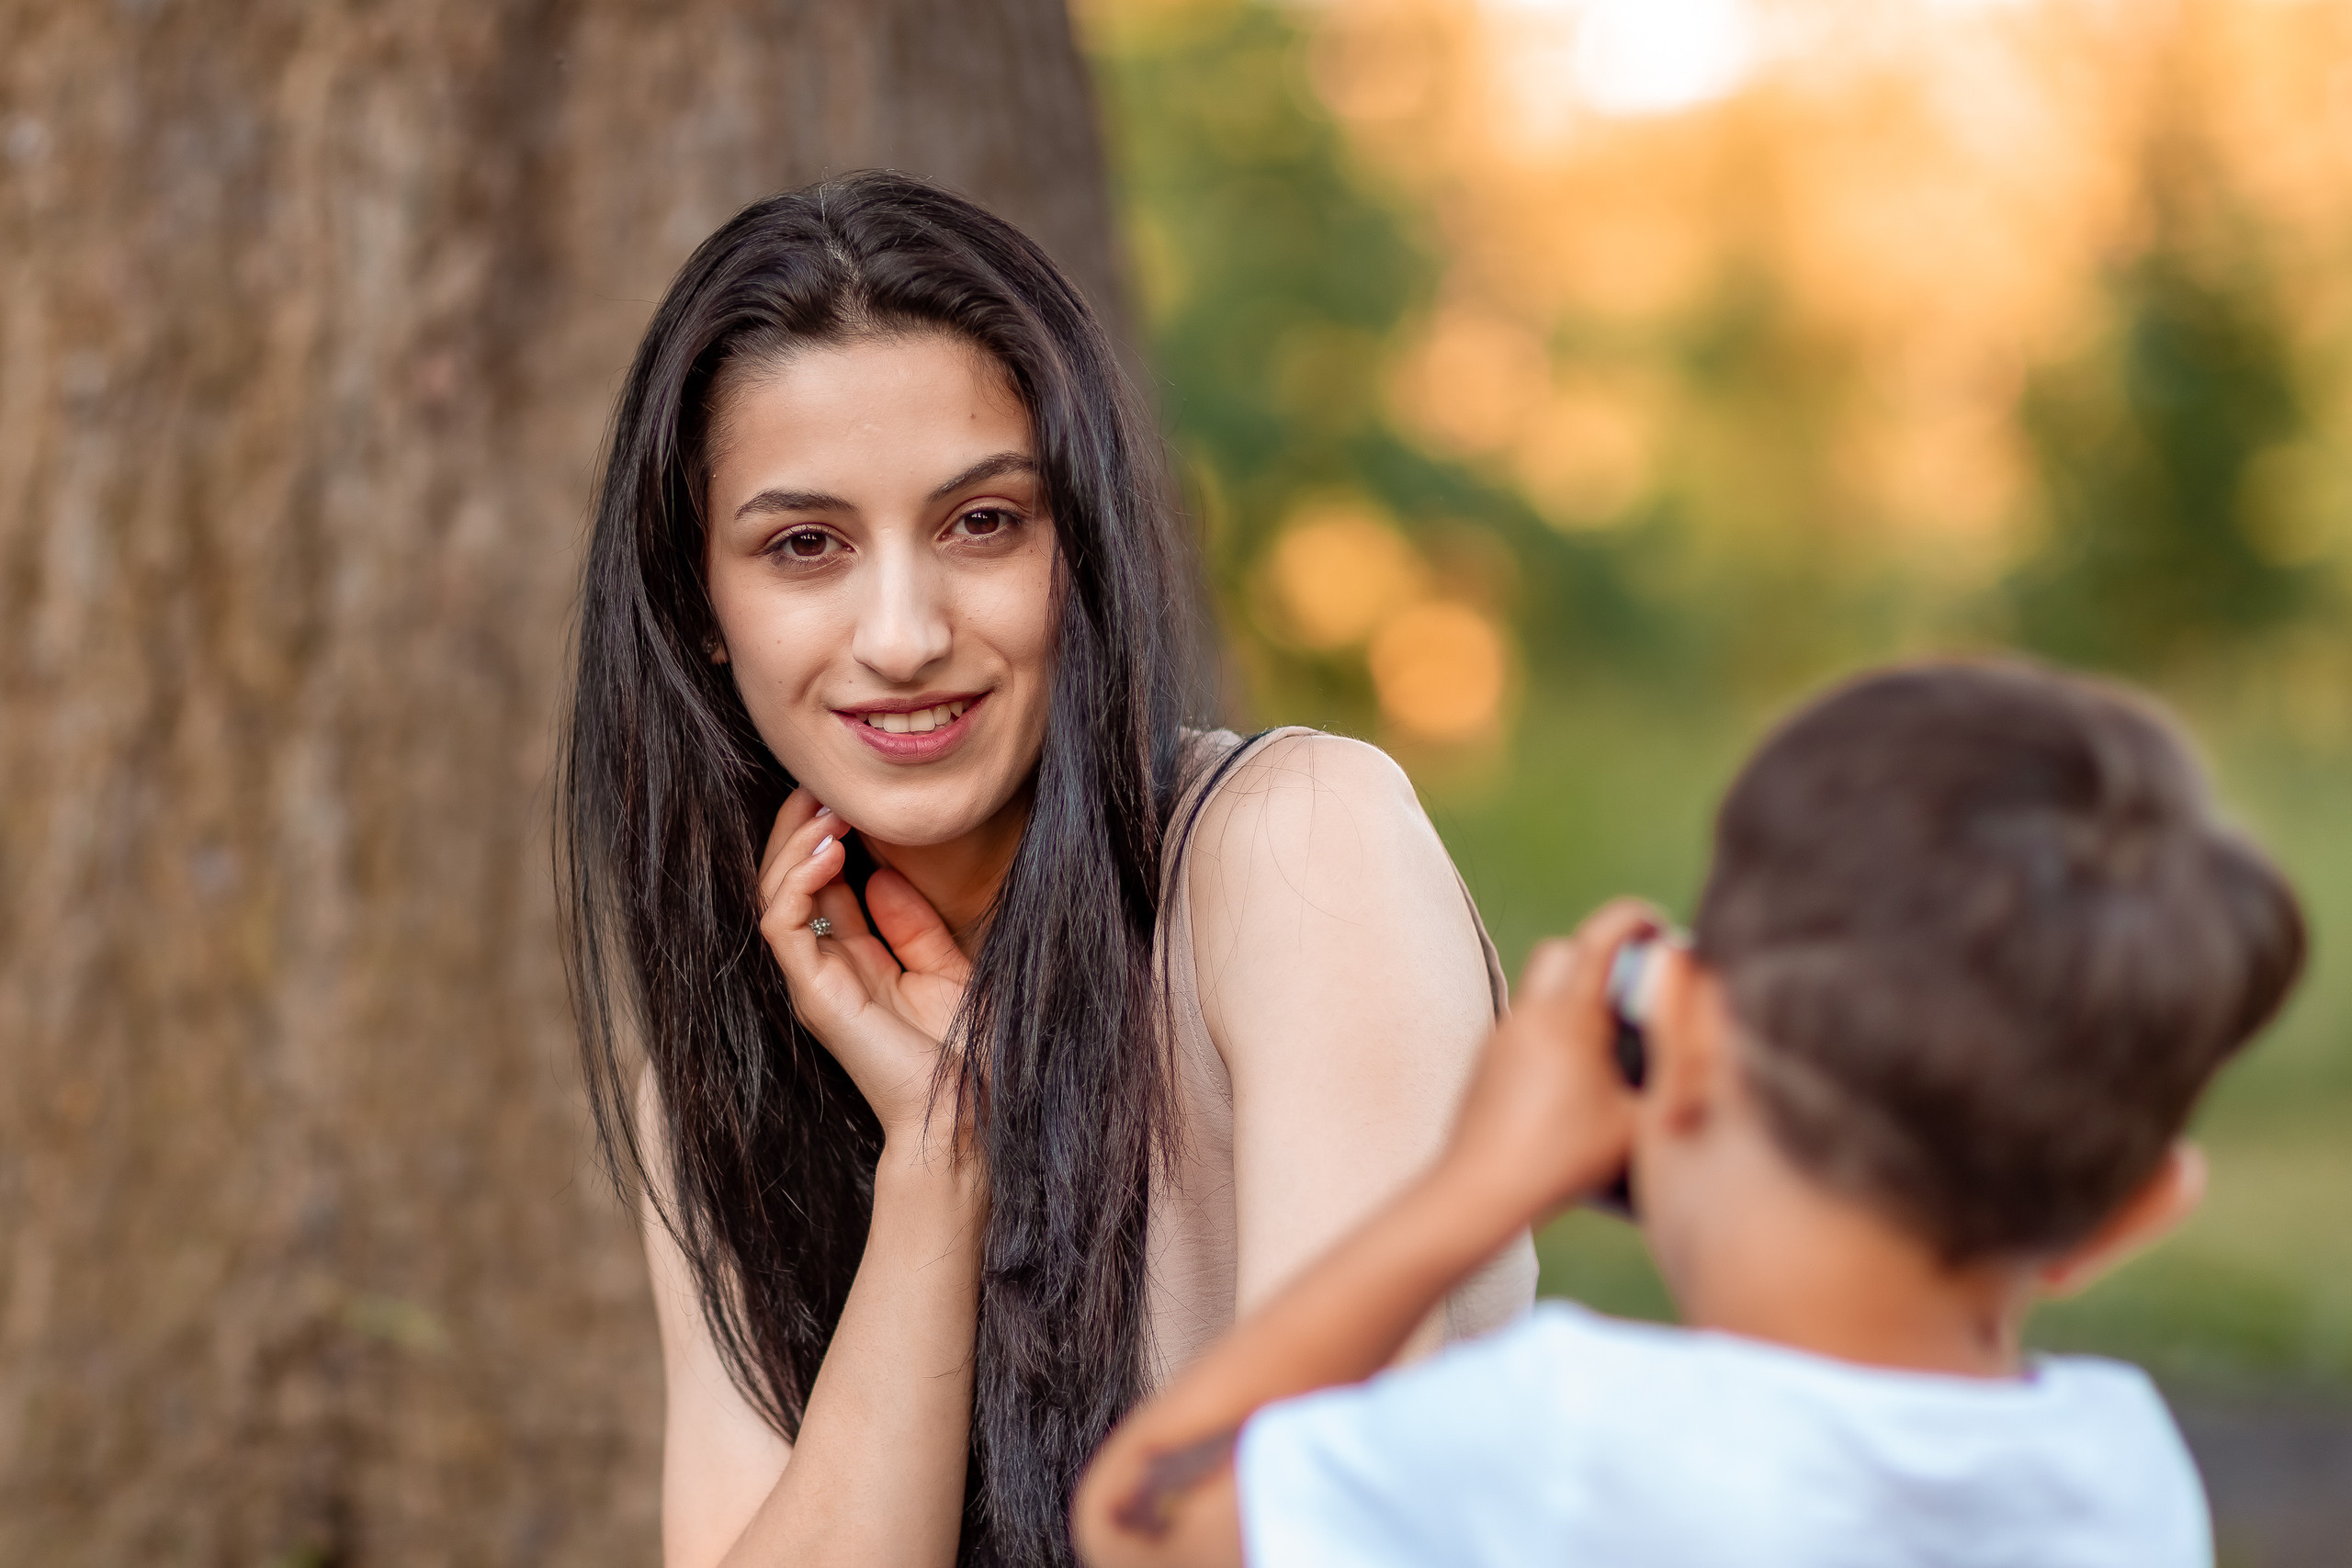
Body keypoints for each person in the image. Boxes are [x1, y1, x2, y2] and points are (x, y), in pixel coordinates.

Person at [557, 171, 1535, 1568]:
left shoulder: (1294, 849)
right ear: (700, 610)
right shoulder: (718, 1083)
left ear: (1079, 546)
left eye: (982, 524)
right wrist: (936, 1173)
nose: (902, 634)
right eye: (805, 547)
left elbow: (1329, 1515)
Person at [1072, 660, 2307, 1568]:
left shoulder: (1568, 1440)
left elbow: (1145, 1516)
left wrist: (1474, 1184)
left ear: (1689, 1034)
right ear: (2135, 1210)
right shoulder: (2123, 1478)